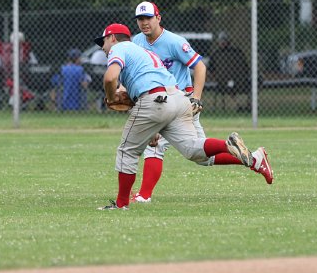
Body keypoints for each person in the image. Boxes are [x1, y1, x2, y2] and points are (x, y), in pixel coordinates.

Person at [96, 23, 271, 211]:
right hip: (178, 98)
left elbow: (110, 78)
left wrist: (111, 97)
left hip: (155, 101)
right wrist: (151, 129)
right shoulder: (144, 53)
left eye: (103, 42)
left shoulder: (118, 48)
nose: (102, 47)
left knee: (127, 151)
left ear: (112, 38)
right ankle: (227, 145)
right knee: (192, 149)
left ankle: (122, 204)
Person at [210, 32, 251, 112]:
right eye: (221, 41)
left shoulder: (236, 52)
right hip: (224, 82)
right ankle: (239, 106)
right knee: (229, 87)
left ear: (228, 41)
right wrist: (218, 77)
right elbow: (211, 69)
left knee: (247, 85)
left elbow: (245, 67)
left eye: (224, 41)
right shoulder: (216, 54)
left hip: (238, 80)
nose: (222, 43)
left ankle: (247, 106)